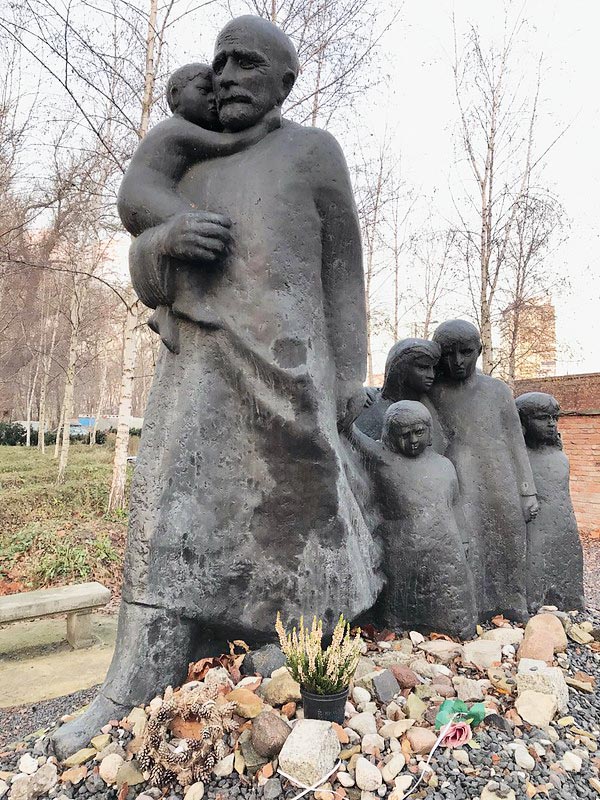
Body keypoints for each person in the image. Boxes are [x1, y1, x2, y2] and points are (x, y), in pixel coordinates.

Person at [52, 15, 381, 758]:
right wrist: (163, 243)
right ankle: (134, 677)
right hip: (200, 360)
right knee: (171, 505)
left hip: (292, 368)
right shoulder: (187, 154)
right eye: (220, 60)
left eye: (248, 63)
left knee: (299, 515)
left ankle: (287, 654)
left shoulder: (313, 151)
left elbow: (344, 272)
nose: (228, 74)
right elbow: (145, 247)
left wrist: (352, 375)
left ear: (285, 81)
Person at [118, 62, 281, 353]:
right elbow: (225, 144)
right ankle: (186, 307)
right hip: (142, 195)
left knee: (198, 241)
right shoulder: (174, 130)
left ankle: (166, 313)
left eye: (214, 95)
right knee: (200, 233)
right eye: (204, 91)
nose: (212, 99)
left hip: (145, 194)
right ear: (177, 95)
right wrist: (263, 128)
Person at [429, 320, 538, 623]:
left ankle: (512, 601)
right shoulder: (434, 392)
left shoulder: (497, 391)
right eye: (449, 354)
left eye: (466, 352)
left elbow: (516, 440)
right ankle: (472, 604)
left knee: (509, 538)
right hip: (461, 479)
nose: (458, 361)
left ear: (480, 350)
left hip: (499, 475)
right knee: (469, 540)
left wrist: (527, 489)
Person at [349, 401, 477, 639]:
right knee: (401, 596)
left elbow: (455, 504)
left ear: (429, 432)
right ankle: (398, 629)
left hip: (445, 548)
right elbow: (350, 433)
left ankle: (454, 628)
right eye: (403, 435)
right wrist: (356, 401)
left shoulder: (444, 465)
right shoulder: (383, 459)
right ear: (390, 436)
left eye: (418, 432)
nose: (413, 440)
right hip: (401, 548)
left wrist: (465, 538)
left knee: (450, 595)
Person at [515, 392, 585, 612]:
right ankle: (533, 602)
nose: (551, 424)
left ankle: (570, 600)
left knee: (567, 561)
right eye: (543, 418)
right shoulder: (519, 458)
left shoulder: (558, 454)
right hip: (534, 528)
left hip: (564, 523)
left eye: (554, 418)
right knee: (534, 566)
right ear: (524, 421)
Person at [355, 338, 445, 451]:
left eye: (433, 368)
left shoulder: (434, 405)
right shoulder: (370, 404)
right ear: (401, 368)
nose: (431, 375)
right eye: (423, 367)